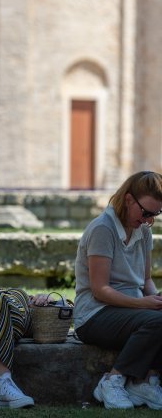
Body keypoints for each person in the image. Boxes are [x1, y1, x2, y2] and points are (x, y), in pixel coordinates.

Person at [74, 170, 162, 410]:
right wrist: (145, 304)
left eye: (155, 215)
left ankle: (146, 381)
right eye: (145, 213)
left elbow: (145, 281)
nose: (148, 220)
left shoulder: (144, 231)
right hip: (94, 314)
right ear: (129, 200)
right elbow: (100, 290)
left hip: (129, 312)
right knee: (157, 322)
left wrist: (155, 297)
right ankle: (112, 381)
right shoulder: (103, 229)